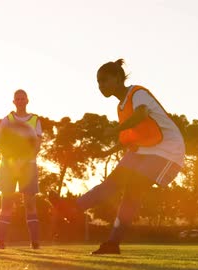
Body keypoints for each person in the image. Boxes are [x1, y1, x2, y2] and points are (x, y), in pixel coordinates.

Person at [77, 59, 185, 254]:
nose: (100, 86)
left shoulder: (137, 93)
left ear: (118, 79)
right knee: (112, 183)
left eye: (104, 80)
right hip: (144, 148)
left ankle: (113, 242)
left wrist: (115, 130)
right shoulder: (120, 107)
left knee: (133, 190)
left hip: (167, 149)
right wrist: (106, 152)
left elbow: (141, 114)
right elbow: (129, 138)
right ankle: (72, 208)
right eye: (98, 82)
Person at [0, 89, 42, 250]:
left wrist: (24, 159)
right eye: (17, 99)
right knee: (6, 203)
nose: (20, 101)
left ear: (27, 101)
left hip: (28, 165)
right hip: (9, 166)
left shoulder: (35, 120)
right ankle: (0, 242)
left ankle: (34, 242)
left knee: (29, 203)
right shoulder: (7, 120)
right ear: (14, 102)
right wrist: (13, 160)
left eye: (23, 98)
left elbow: (37, 144)